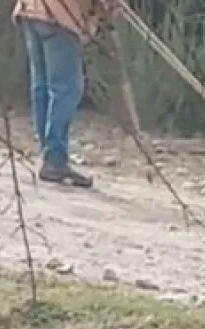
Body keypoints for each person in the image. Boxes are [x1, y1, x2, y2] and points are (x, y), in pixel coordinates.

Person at [12, 0, 123, 188]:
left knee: (43, 86)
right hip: (59, 16)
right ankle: (55, 158)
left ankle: (49, 154)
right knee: (66, 89)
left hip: (31, 10)